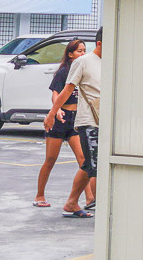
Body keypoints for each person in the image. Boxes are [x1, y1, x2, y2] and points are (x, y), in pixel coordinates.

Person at [51, 26, 101, 218]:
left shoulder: (110, 60)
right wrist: (53, 113)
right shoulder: (83, 62)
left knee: (87, 164)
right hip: (88, 121)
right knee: (95, 167)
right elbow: (65, 90)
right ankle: (102, 209)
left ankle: (72, 202)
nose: (81, 52)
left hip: (104, 119)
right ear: (99, 43)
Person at [33, 39, 86, 207]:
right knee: (50, 160)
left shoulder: (84, 69)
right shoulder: (64, 71)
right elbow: (56, 93)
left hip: (76, 120)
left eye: (84, 51)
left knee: (84, 160)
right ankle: (39, 196)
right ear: (70, 54)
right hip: (60, 119)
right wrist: (56, 110)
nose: (82, 54)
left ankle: (90, 198)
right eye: (79, 51)